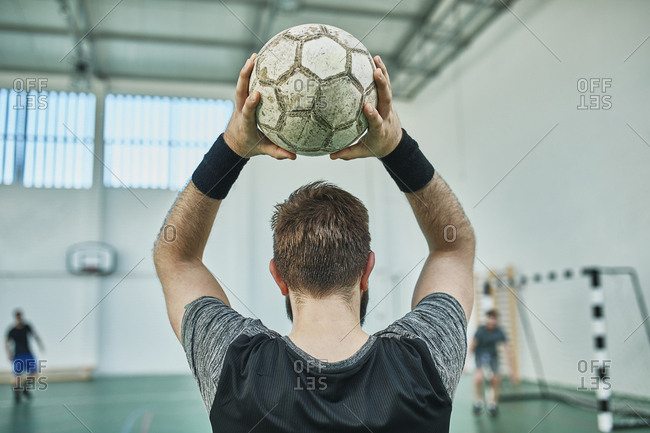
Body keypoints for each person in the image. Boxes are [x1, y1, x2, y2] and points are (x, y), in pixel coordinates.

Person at [153, 53, 475, 432]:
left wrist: (232, 147)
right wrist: (396, 148)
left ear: (279, 277)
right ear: (367, 269)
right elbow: (453, 247)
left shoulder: (236, 366)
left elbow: (176, 257)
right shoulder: (421, 362)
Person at [467, 309, 517, 416]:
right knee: (478, 378)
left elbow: (507, 351)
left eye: (494, 319)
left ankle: (492, 404)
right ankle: (478, 402)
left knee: (495, 379)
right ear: (487, 319)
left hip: (493, 356)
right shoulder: (480, 330)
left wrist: (512, 371)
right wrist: (465, 365)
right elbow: (472, 346)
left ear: (496, 321)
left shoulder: (499, 332)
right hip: (480, 354)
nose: (491, 321)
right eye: (489, 318)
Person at [5, 309, 44, 403]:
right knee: (17, 376)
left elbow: (35, 335)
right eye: (18, 317)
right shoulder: (12, 330)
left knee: (34, 373)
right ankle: (17, 394)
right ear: (15, 318)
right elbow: (7, 343)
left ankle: (25, 388)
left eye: (20, 316)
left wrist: (40, 344)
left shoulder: (27, 326)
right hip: (18, 355)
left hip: (28, 354)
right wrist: (9, 354)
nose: (19, 318)